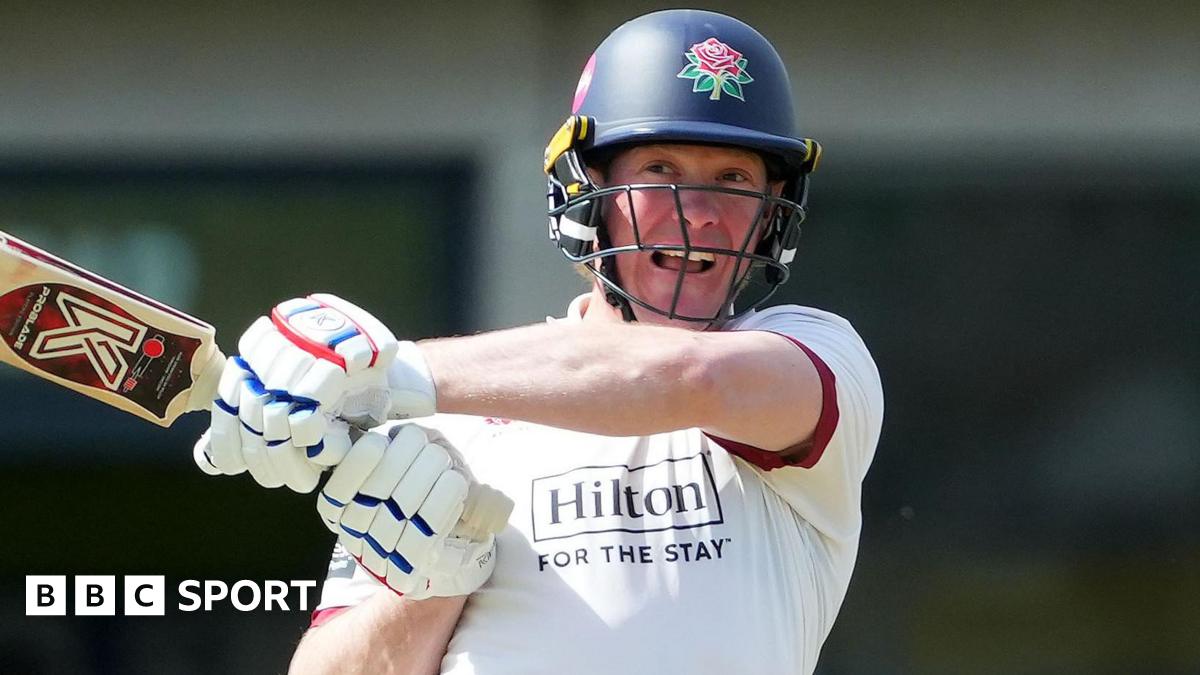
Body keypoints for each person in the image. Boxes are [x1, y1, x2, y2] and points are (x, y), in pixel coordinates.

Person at [194, 9, 883, 675]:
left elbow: (690, 378)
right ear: (590, 195)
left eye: (732, 179)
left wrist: (390, 371)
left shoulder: (813, 357)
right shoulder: (450, 424)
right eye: (661, 171)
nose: (695, 213)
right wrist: (432, 584)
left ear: (773, 212)